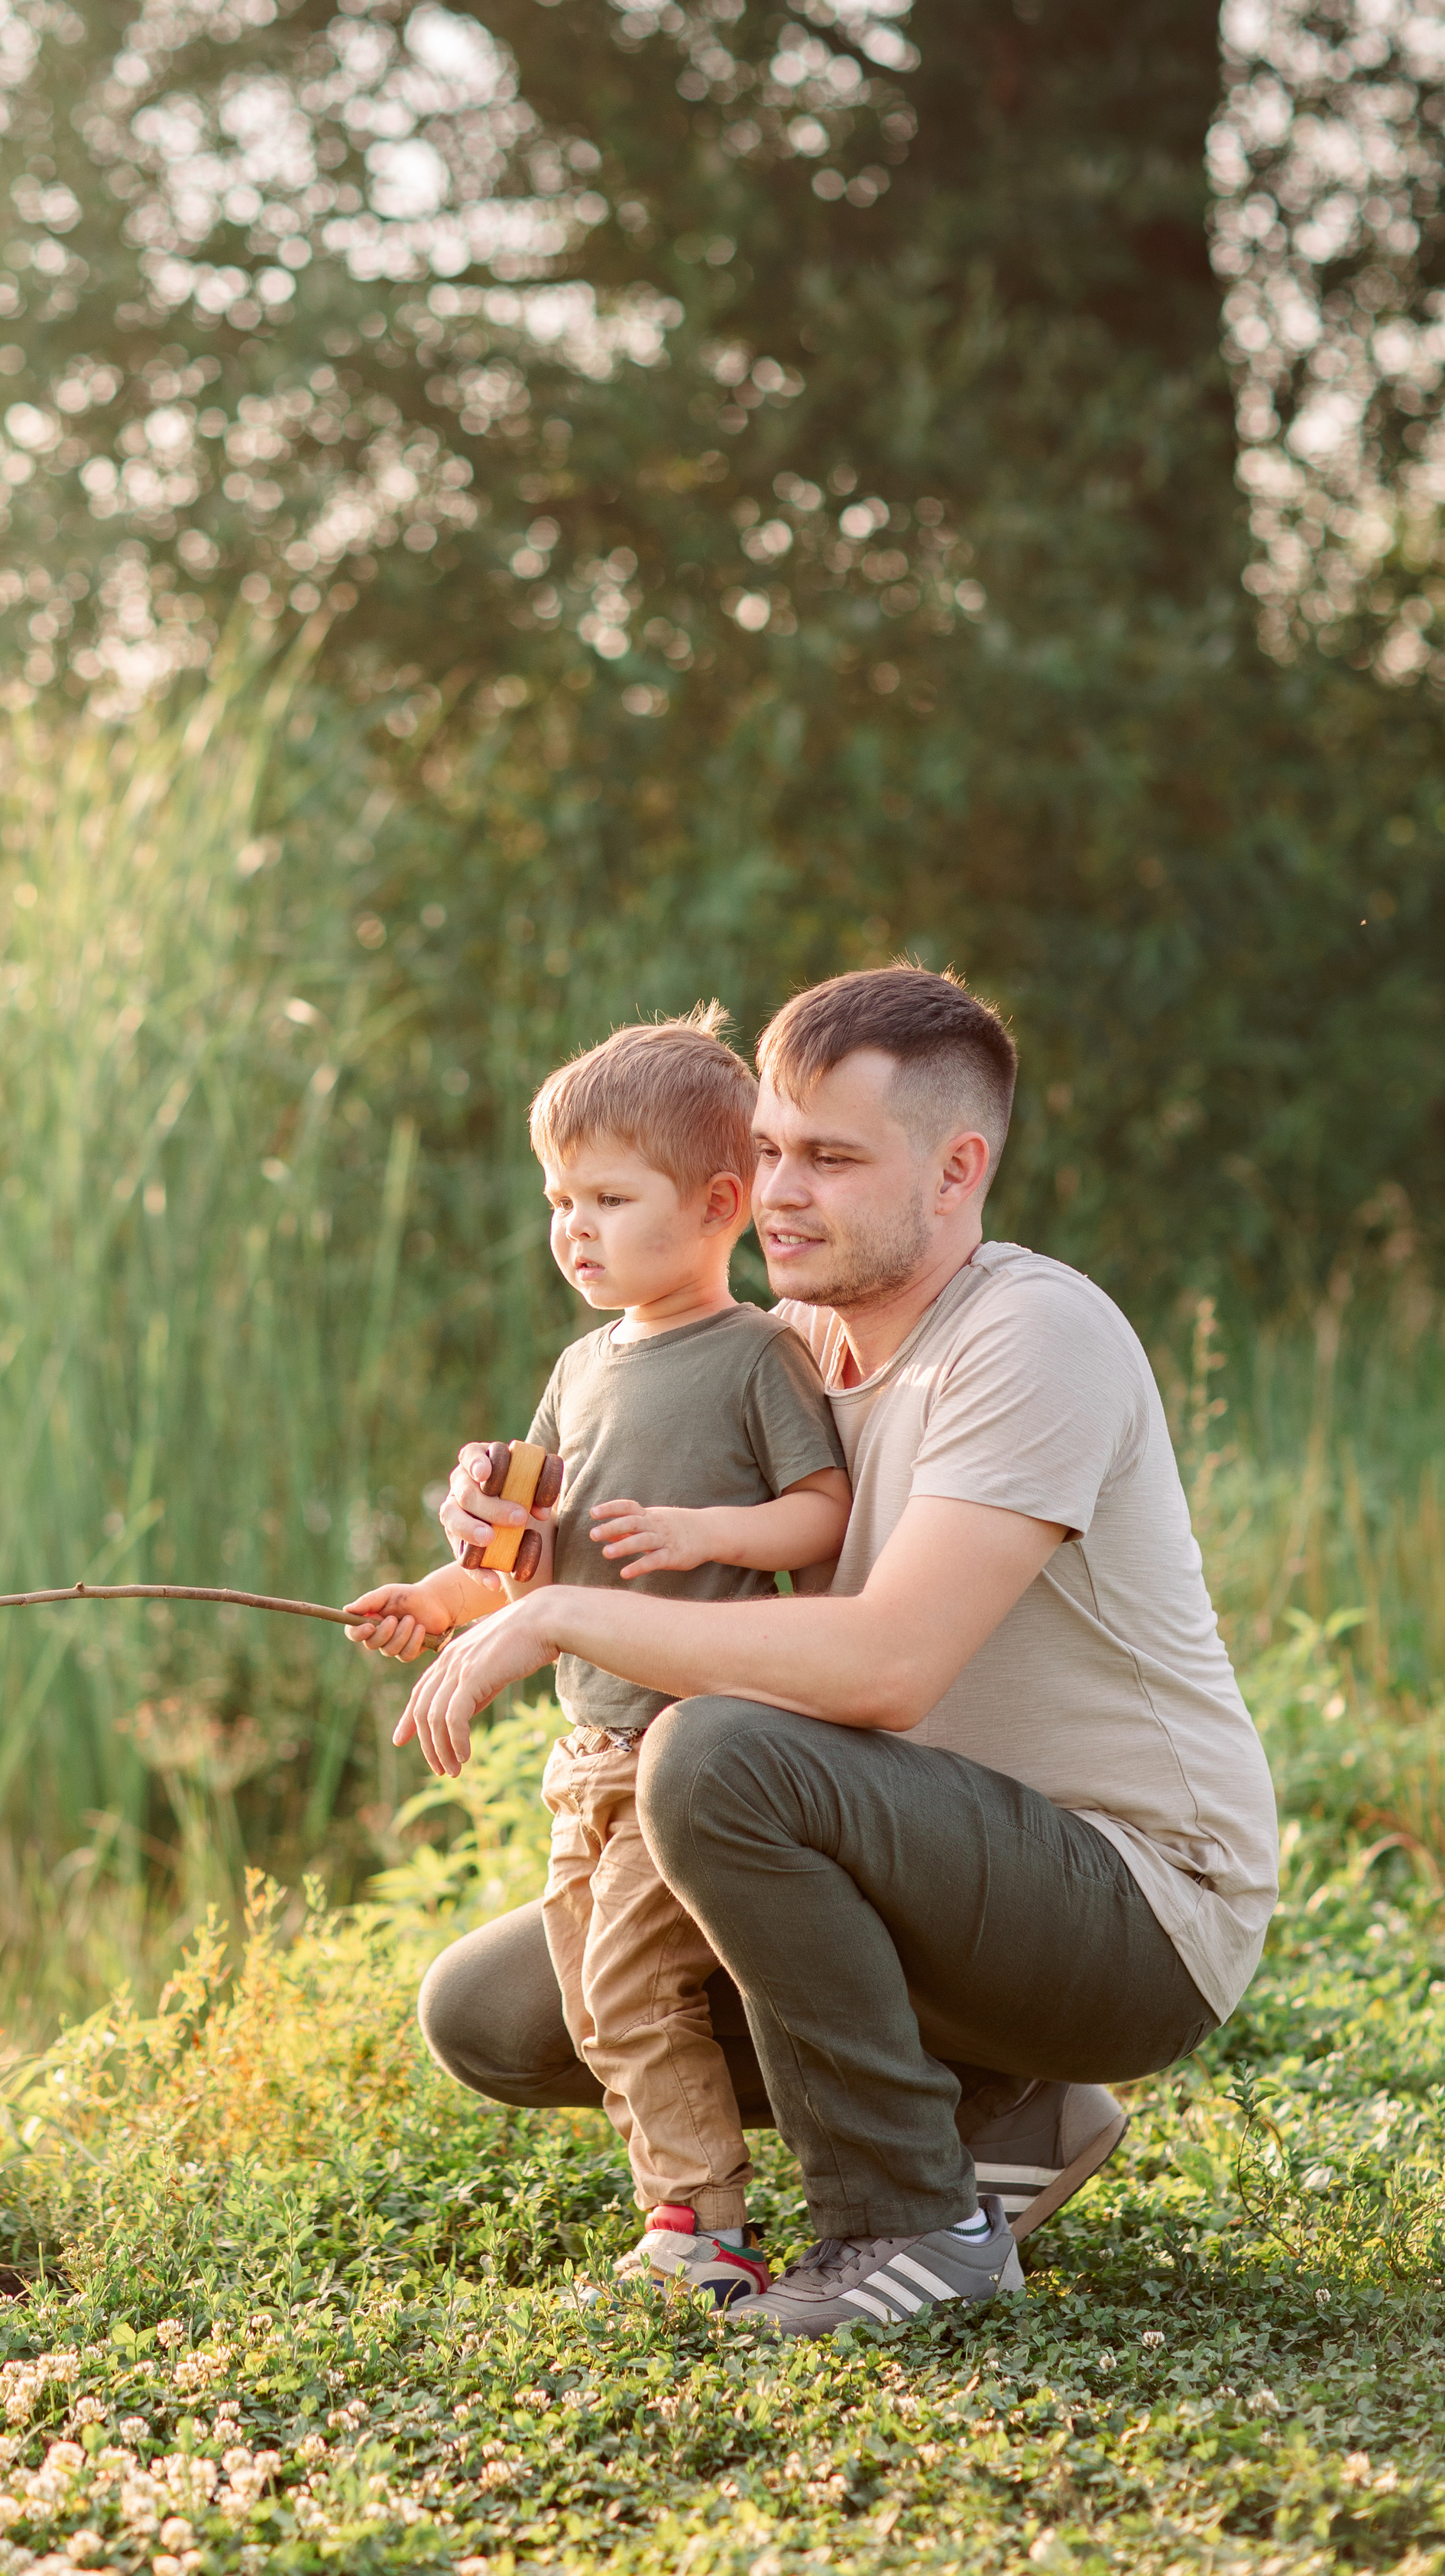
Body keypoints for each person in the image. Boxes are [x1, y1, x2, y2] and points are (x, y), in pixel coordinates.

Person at [394, 965, 1279, 2339]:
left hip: (1132, 1908)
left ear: (955, 1168)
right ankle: (1009, 2109)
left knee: (717, 1753)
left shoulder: (1031, 1335)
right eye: (767, 1150)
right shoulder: (778, 1348)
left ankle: (915, 2222)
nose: (782, 1192)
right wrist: (498, 1533)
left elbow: (887, 1670)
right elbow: (610, 1506)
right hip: (920, 1863)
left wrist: (558, 1620)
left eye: (832, 1158)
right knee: (498, 2013)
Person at [346, 1010, 849, 2302]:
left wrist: (701, 1530)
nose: (573, 1227)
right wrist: (437, 1598)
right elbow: (527, 1565)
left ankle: (702, 2230)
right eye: (560, 1199)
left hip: (699, 1754)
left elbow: (823, 1512)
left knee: (630, 1987)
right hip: (588, 1756)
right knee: (590, 1997)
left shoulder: (758, 1354)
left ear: (718, 1203)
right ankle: (692, 2212)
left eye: (609, 1199)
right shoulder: (577, 1372)